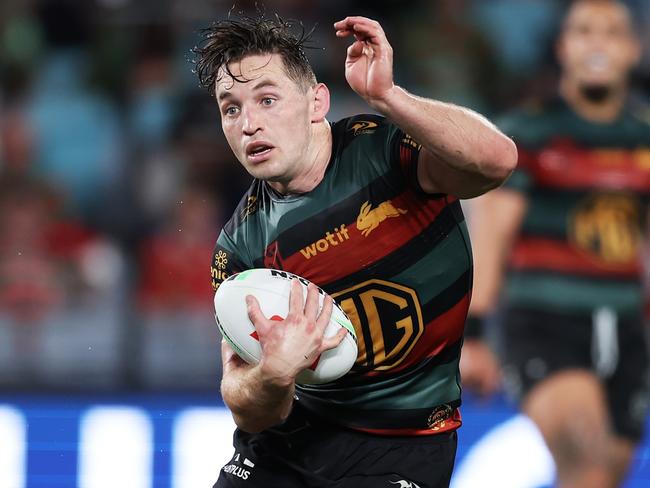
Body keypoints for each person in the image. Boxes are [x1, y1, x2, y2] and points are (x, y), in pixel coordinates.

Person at [194, 14, 517, 488]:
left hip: (405, 444)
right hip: (290, 444)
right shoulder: (241, 247)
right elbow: (247, 406)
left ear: (315, 102)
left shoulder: (386, 152)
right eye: (231, 109)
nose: (249, 124)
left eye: (267, 99)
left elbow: (498, 162)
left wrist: (388, 95)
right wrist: (274, 373)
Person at [461, 1, 650, 487]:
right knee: (584, 467)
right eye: (584, 31)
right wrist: (475, 335)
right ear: (564, 48)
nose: (597, 44)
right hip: (545, 322)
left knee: (606, 475)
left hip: (627, 329)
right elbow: (493, 236)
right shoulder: (529, 133)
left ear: (634, 49)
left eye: (611, 32)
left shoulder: (644, 137)